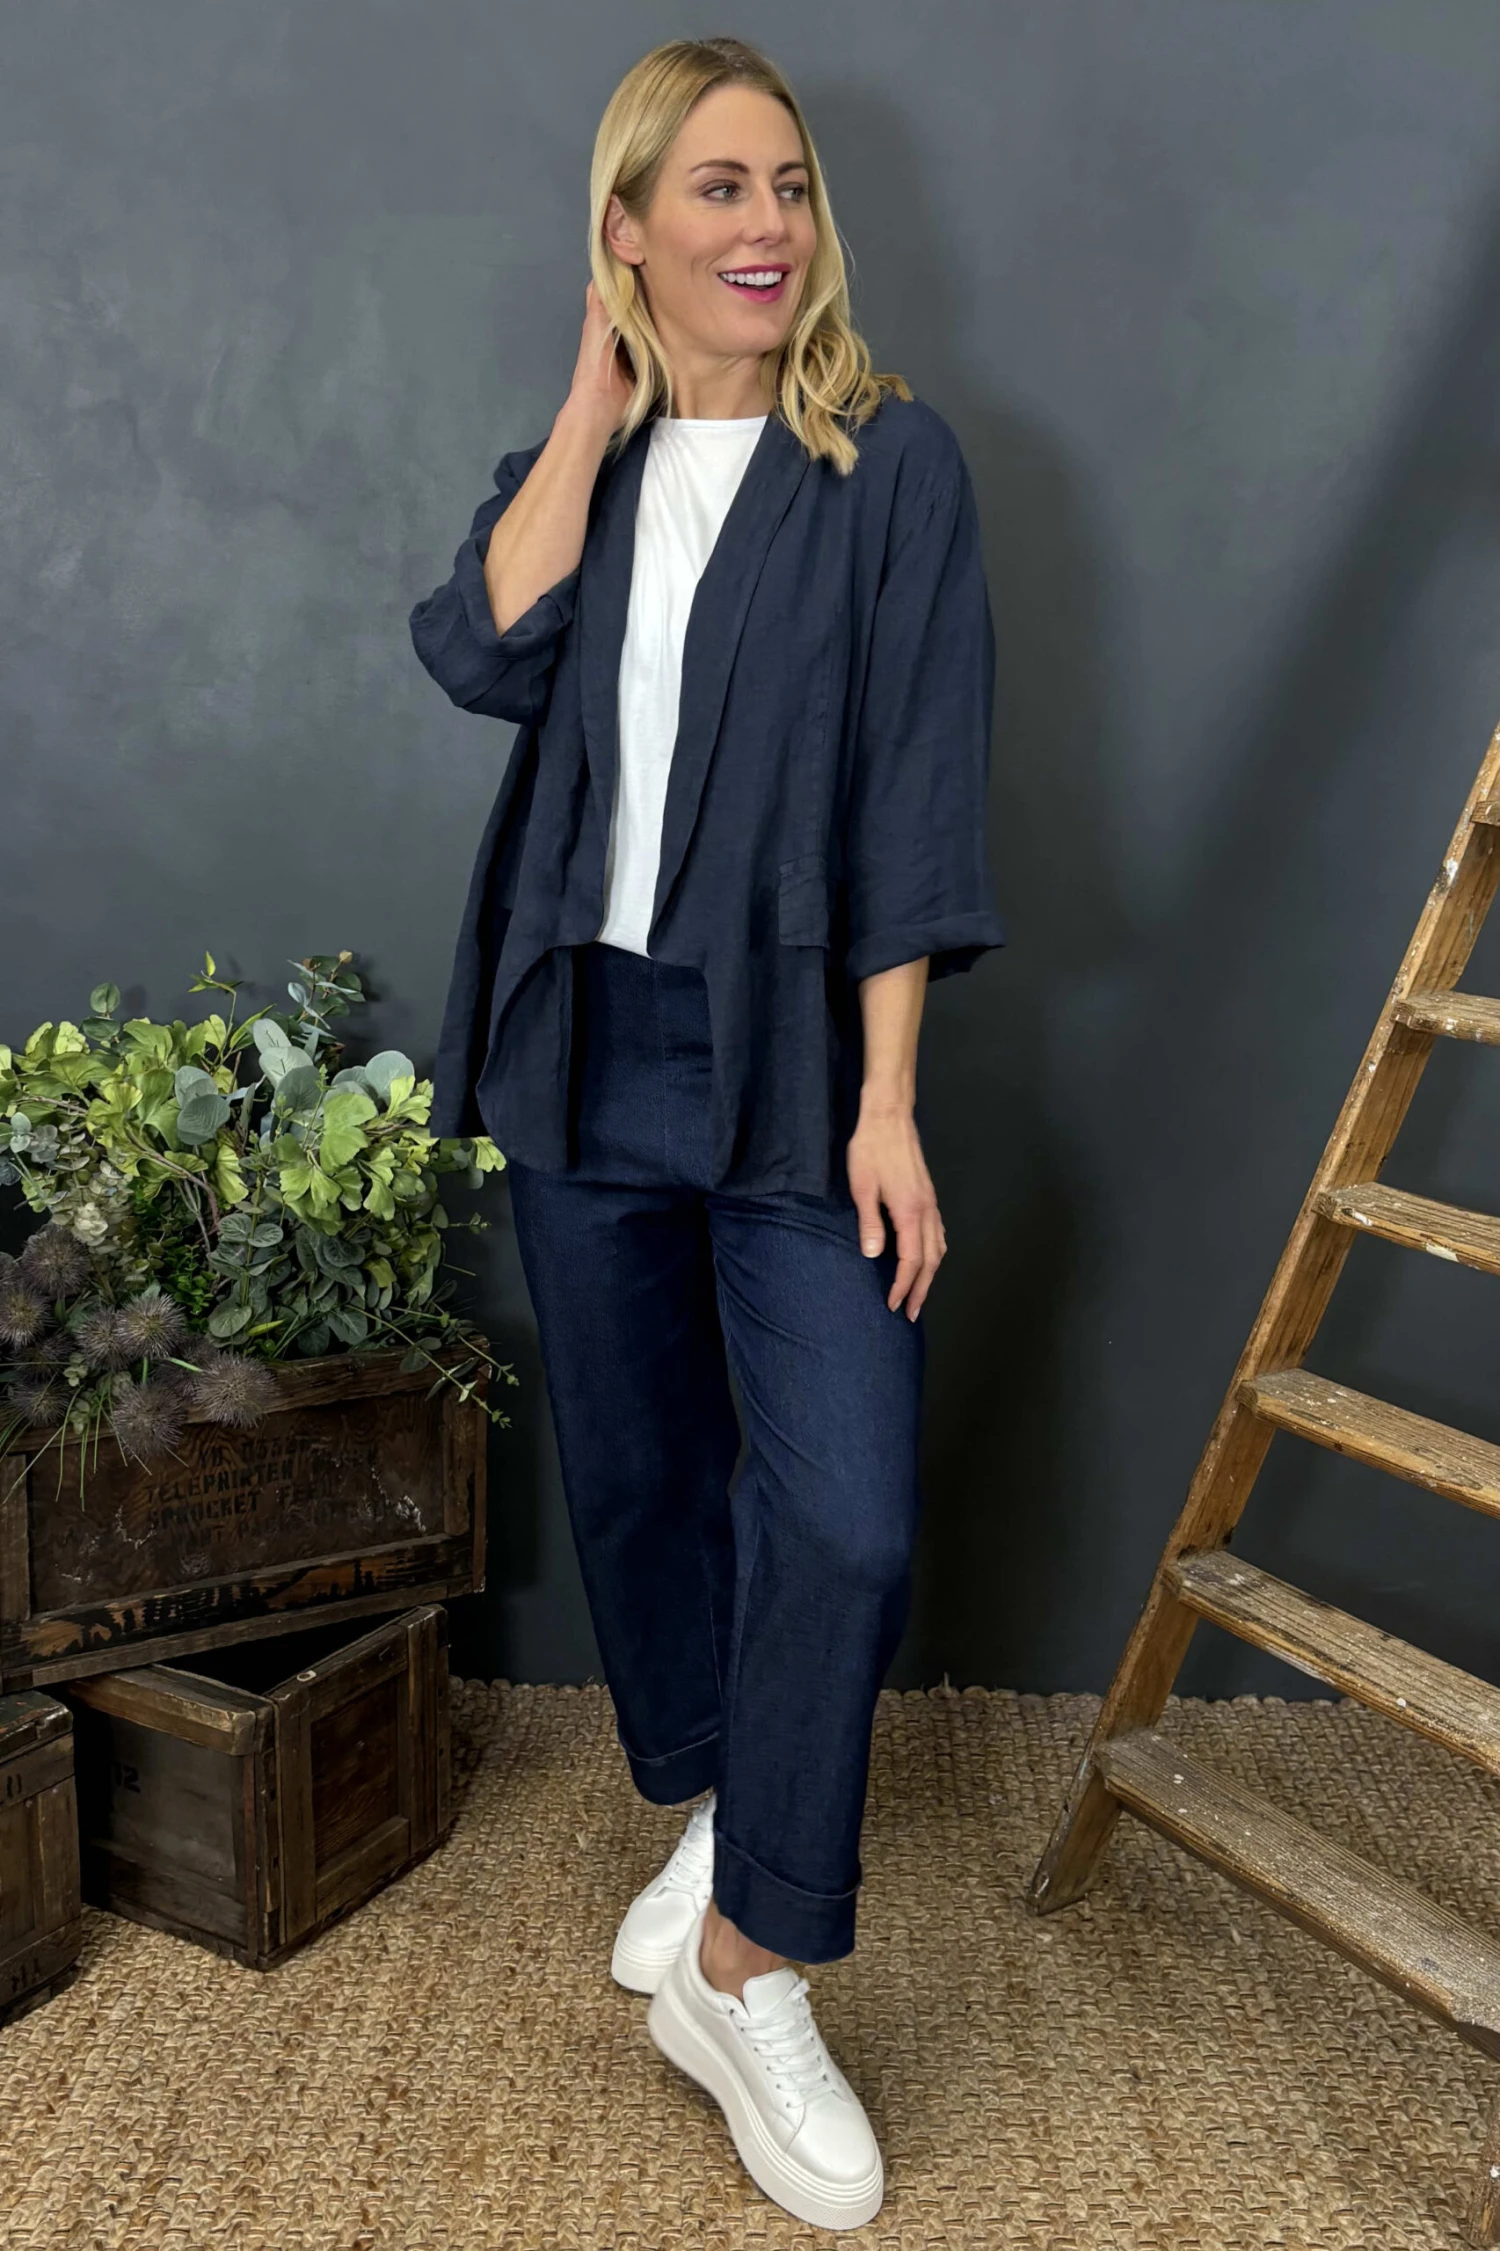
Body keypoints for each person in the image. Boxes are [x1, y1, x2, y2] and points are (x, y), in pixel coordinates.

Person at [408, 34, 1005, 2234]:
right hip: (581, 1044)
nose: (767, 225)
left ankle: (749, 1968)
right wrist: (594, 405)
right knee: (646, 1477)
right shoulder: (587, 462)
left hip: (791, 1062)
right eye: (719, 188)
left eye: (790, 185)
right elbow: (479, 646)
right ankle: (716, 1822)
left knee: (838, 1513)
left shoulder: (891, 465)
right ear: (632, 226)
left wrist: (888, 1099)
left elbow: (917, 798)